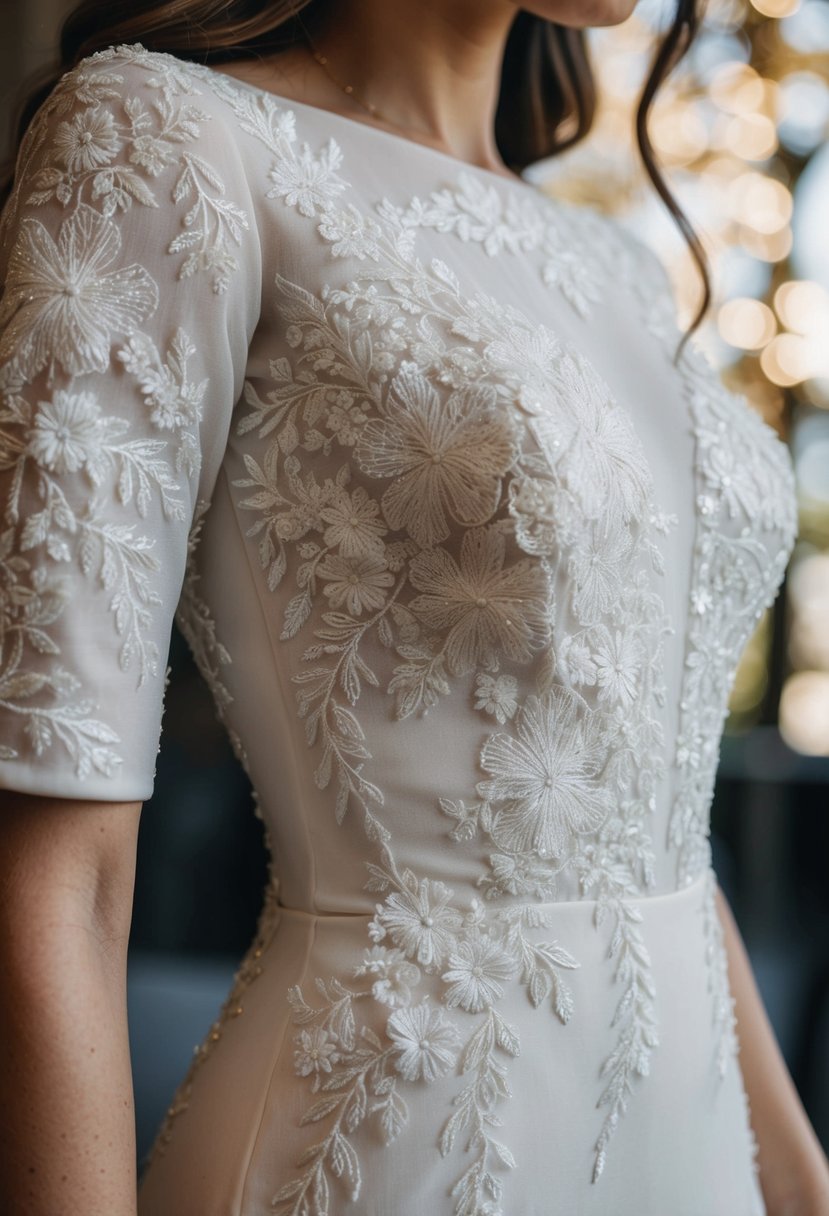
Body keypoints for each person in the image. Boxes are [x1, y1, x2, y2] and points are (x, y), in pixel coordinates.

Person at [0, 1, 828, 1213]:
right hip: (388, 1157)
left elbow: (646, 815)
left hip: (692, 1163)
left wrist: (799, 1179)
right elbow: (54, 883)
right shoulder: (169, 138)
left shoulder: (617, 269)